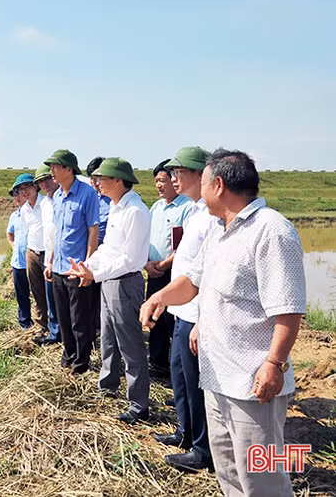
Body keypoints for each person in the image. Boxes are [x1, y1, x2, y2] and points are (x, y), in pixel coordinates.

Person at [141, 149, 306, 496]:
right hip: (216, 378)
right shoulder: (218, 230)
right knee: (228, 470)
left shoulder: (271, 230)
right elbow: (193, 283)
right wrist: (159, 298)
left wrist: (273, 364)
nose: (199, 192)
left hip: (253, 384)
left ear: (217, 185)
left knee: (263, 477)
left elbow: (289, 310)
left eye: (202, 183)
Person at [66, 157, 150, 423]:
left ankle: (138, 404)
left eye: (102, 178)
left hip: (125, 282)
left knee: (130, 344)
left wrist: (96, 274)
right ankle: (107, 385)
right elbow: (108, 249)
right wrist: (88, 267)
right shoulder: (116, 207)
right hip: (109, 281)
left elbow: (129, 259)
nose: (97, 183)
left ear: (118, 180)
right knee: (109, 338)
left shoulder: (135, 211)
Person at [150, 146, 215, 473]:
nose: (173, 177)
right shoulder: (198, 212)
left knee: (196, 383)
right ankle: (185, 432)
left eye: (179, 172)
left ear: (200, 174)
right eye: (172, 173)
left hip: (195, 314)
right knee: (180, 375)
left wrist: (202, 317)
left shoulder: (211, 216)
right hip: (182, 311)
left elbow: (209, 273)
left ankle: (203, 450)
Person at [43, 149, 99, 374]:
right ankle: (68, 354)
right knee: (63, 317)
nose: (51, 172)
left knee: (79, 318)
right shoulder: (57, 196)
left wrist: (88, 265)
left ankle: (81, 362)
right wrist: (50, 262)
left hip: (76, 268)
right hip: (58, 267)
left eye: (55, 167)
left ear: (68, 169)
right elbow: (57, 232)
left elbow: (93, 230)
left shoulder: (87, 194)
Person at [146, 159, 196, 379]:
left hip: (174, 274)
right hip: (153, 271)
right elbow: (147, 239)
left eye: (163, 180)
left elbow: (184, 245)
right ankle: (158, 363)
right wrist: (147, 263)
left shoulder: (187, 207)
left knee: (171, 320)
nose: (159, 185)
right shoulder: (155, 208)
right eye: (156, 180)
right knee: (154, 317)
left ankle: (177, 366)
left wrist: (165, 264)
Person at [18, 173, 49, 336]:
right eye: (20, 189)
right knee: (37, 292)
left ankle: (57, 325)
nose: (24, 191)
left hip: (48, 254)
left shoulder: (46, 203)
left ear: (36, 186)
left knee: (52, 292)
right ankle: (42, 325)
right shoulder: (24, 210)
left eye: (27, 186)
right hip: (32, 253)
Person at [34, 164, 61, 345]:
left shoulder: (63, 199)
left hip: (64, 258)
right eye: (40, 181)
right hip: (49, 258)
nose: (44, 184)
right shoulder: (44, 204)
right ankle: (55, 333)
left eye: (46, 179)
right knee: (51, 297)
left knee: (65, 300)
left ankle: (67, 334)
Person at [86, 156, 111, 344]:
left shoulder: (115, 199)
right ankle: (95, 329)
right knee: (91, 294)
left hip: (109, 254)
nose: (95, 182)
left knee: (107, 294)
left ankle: (106, 331)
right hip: (92, 253)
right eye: (92, 178)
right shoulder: (90, 197)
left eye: (98, 178)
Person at [7, 175, 32, 329]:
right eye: (14, 194)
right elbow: (9, 234)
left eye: (18, 193)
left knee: (40, 294)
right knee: (21, 294)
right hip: (18, 262)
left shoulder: (34, 211)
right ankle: (25, 323)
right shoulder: (14, 216)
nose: (16, 197)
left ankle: (45, 322)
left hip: (34, 261)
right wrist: (14, 247)